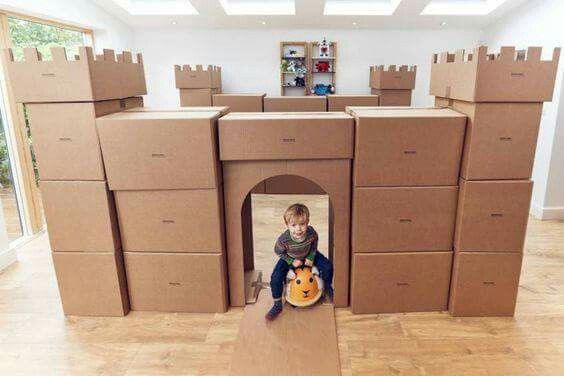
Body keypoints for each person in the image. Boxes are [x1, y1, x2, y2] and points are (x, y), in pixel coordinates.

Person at [265, 203, 333, 321]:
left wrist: (311, 257)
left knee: (327, 266)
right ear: (287, 225)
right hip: (289, 257)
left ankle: (327, 287)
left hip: (307, 254)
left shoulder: (311, 233)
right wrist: (291, 261)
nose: (298, 229)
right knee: (275, 277)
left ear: (307, 222)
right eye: (294, 225)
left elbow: (314, 244)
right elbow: (279, 252)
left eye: (302, 224)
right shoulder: (283, 239)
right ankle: (277, 304)